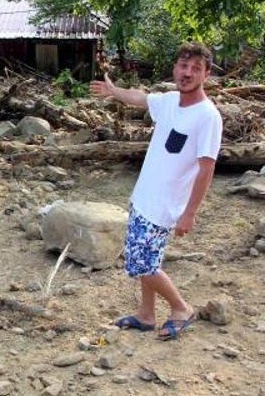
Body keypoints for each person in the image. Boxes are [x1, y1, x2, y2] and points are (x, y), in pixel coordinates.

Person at [89, 42, 222, 340]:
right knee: (149, 259)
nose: (187, 73)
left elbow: (206, 168)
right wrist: (113, 91)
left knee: (141, 262)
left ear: (206, 74)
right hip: (143, 196)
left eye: (195, 68)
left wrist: (190, 213)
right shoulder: (171, 100)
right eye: (183, 66)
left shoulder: (208, 117)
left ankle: (181, 308)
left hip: (164, 206)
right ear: (175, 68)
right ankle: (146, 314)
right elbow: (141, 98)